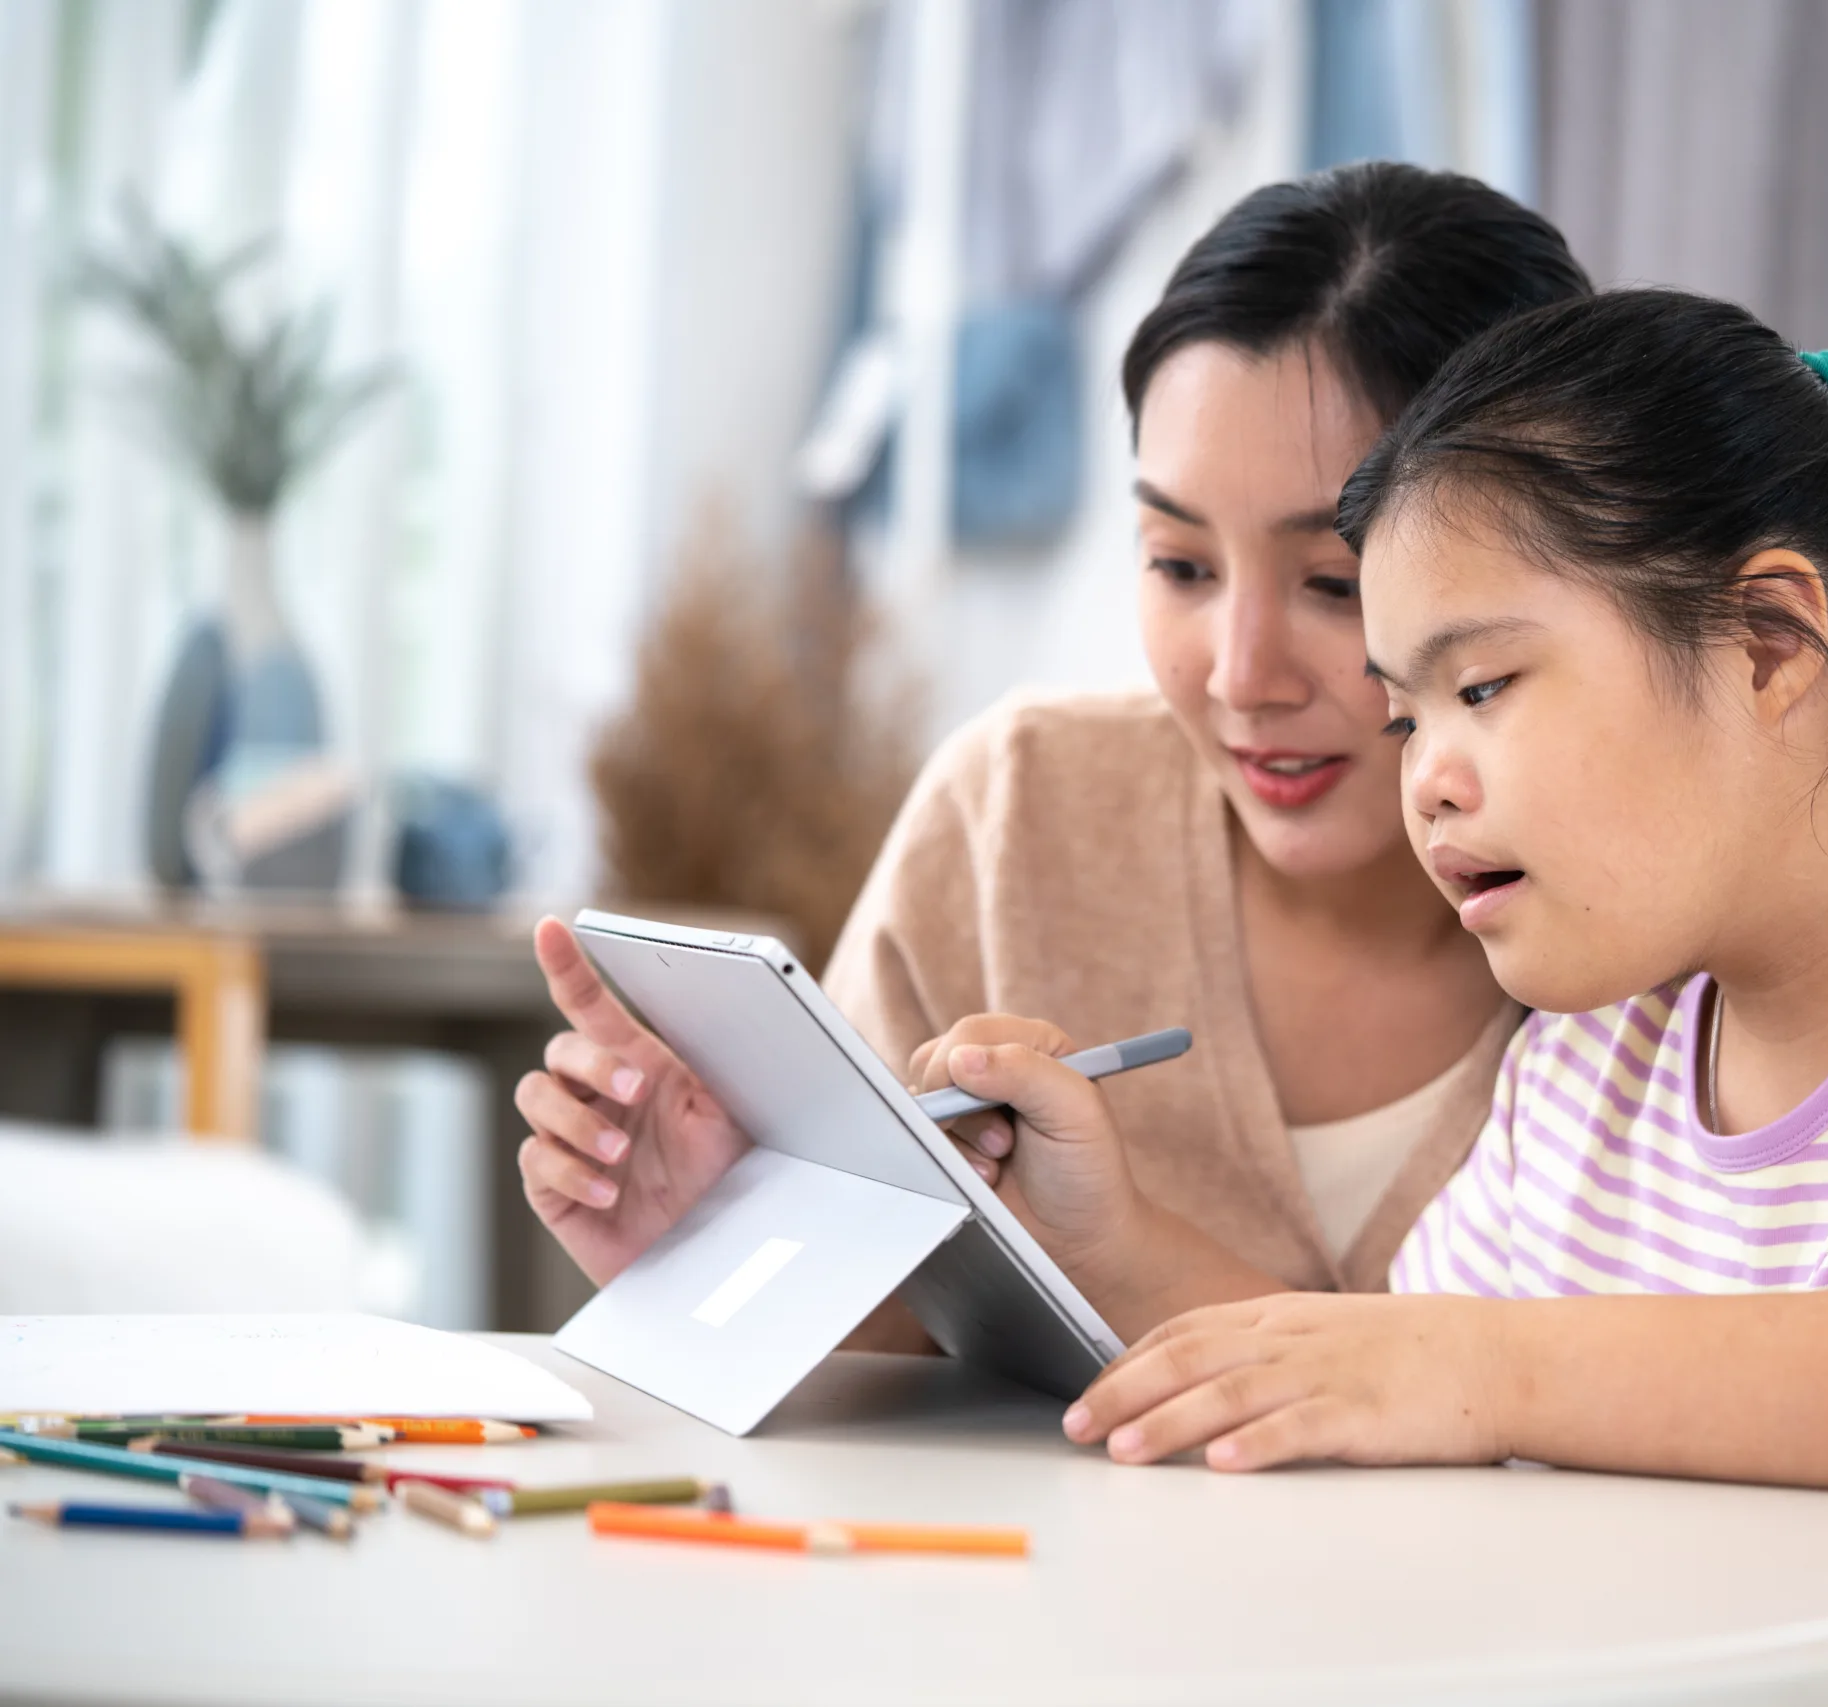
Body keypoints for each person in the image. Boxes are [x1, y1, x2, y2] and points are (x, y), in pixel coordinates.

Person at [956, 294, 1828, 1704]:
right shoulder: (1592, 1064)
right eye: (1406, 714)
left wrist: (1496, 1370)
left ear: (1769, 640)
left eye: (1484, 686)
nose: (1425, 780)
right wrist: (1096, 1237)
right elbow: (1379, 1386)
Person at [513, 163, 1592, 1331]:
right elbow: (890, 1346)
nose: (1240, 676)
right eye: (1180, 565)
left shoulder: (1657, 925)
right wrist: (712, 1240)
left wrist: (1122, 1253)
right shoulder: (1018, 814)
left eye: (1334, 582)